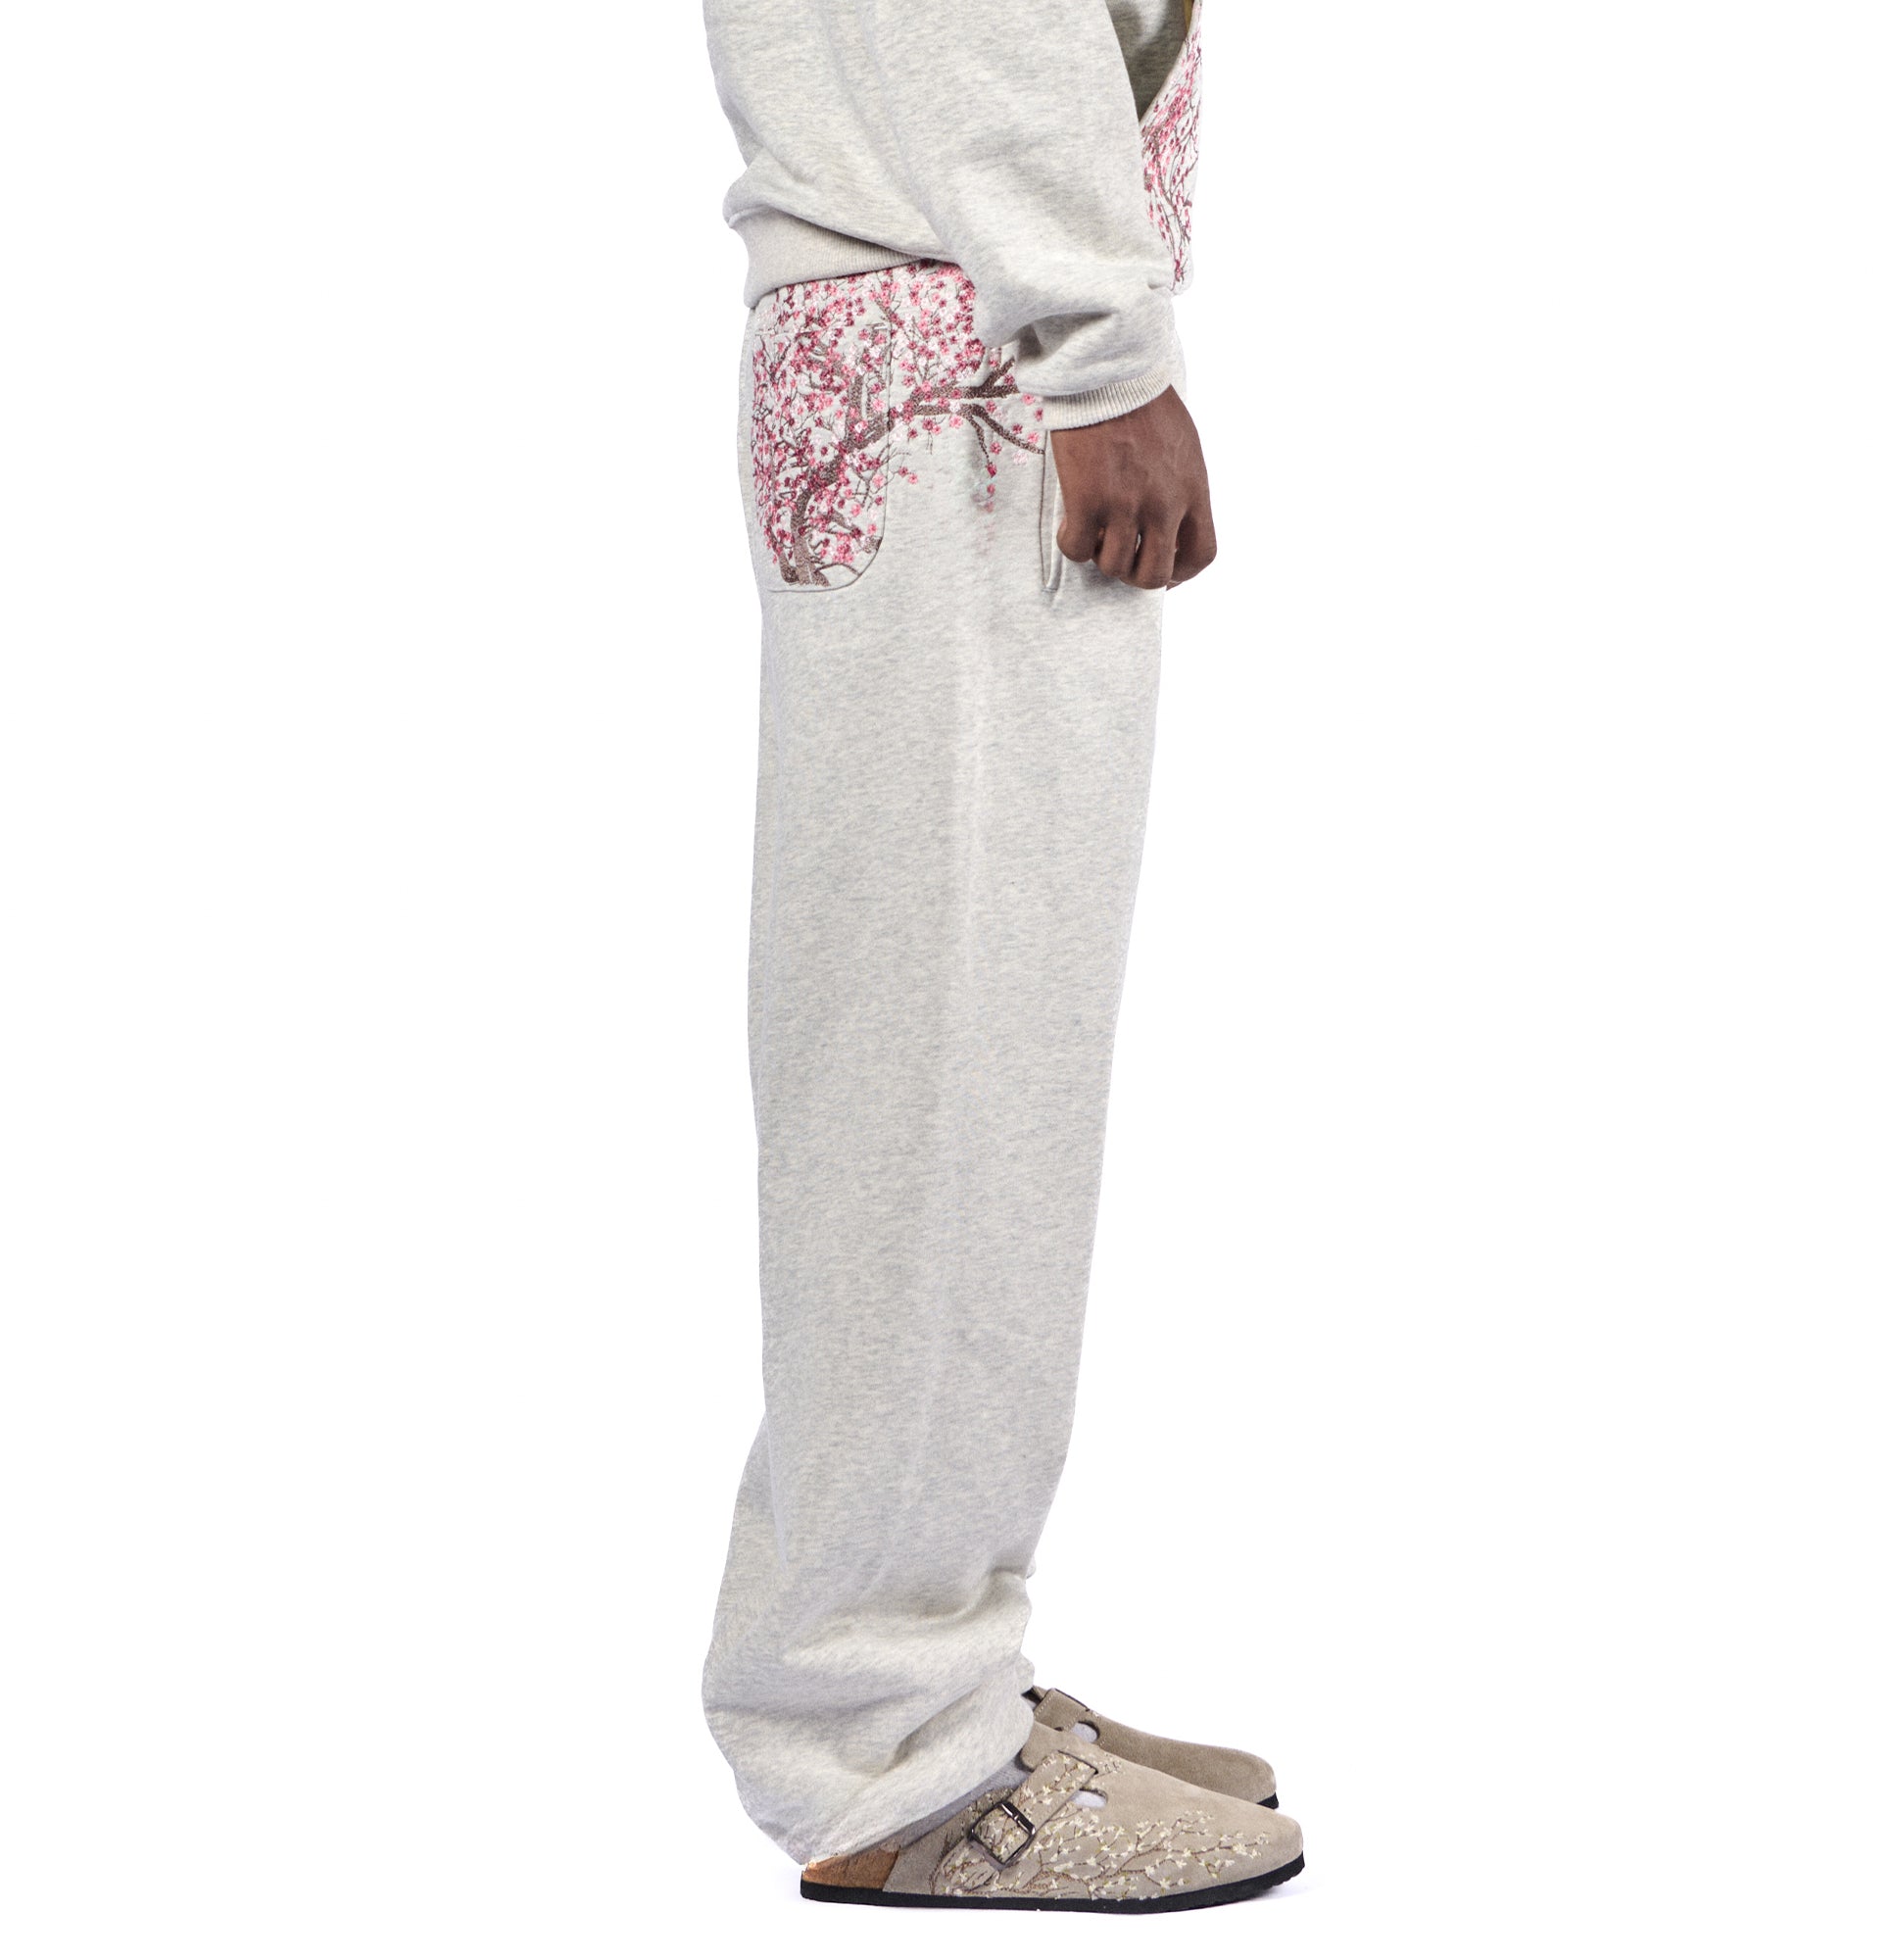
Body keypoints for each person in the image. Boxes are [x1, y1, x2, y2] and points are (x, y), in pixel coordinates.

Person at [699, 1, 1300, 1912]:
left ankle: (929, 1673)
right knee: (939, 1079)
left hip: (960, 331)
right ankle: (891, 1742)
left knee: (967, 1062)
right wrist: (1098, 341)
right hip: (966, 355)